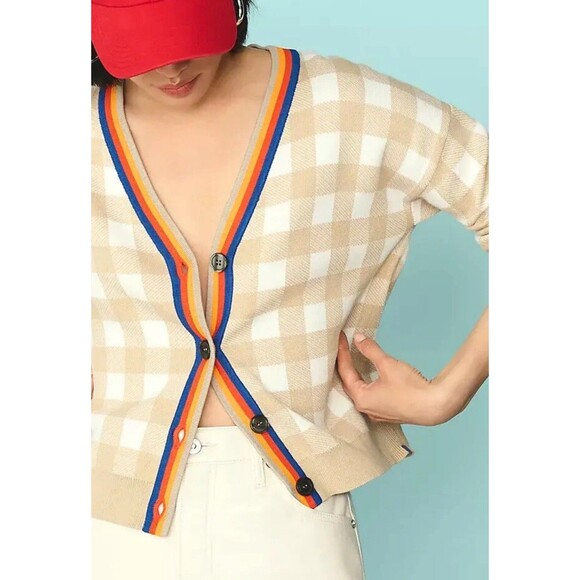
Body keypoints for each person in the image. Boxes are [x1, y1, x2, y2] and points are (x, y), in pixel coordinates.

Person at [91, 0, 489, 578]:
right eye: (141, 48)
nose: (172, 68)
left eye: (185, 36)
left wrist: (448, 393)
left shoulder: (345, 105)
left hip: (287, 516)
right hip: (103, 510)